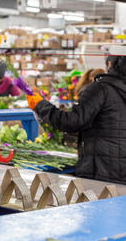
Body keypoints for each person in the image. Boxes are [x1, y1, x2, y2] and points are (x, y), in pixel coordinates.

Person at [27, 55, 126, 185]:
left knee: (97, 203)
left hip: (101, 171)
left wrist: (40, 105)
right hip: (121, 171)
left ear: (109, 65)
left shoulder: (100, 89)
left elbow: (72, 122)